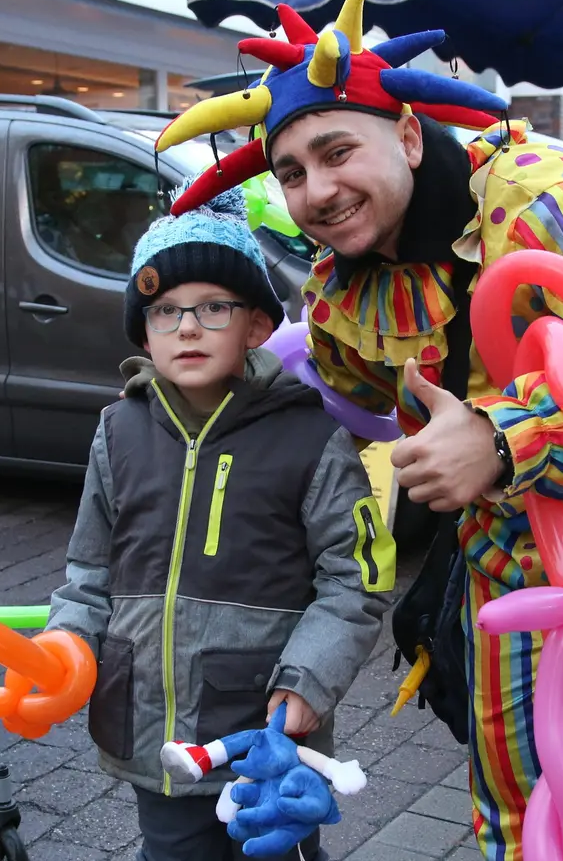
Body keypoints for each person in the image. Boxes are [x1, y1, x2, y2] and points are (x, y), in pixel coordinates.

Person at [154, 0, 563, 861]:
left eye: (336, 149)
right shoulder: (346, 284)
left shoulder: (540, 197)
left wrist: (505, 439)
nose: (318, 189)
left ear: (406, 132)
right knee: (512, 811)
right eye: (291, 172)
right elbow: (328, 391)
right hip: (498, 571)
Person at [45, 185, 392, 861]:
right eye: (165, 312)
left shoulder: (308, 438)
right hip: (153, 735)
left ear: (258, 325)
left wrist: (307, 683)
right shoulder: (118, 432)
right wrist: (66, 645)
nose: (188, 328)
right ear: (142, 332)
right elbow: (89, 573)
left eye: (213, 307)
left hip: (265, 732)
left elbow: (354, 582)